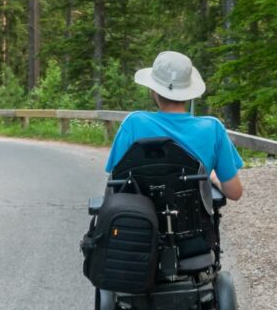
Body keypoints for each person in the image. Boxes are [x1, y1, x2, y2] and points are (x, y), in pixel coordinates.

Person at [104, 51, 243, 201]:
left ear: (153, 90)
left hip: (140, 218)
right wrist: (213, 178)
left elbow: (114, 183)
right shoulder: (212, 128)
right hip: (194, 220)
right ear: (188, 92)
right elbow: (234, 193)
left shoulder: (134, 122)